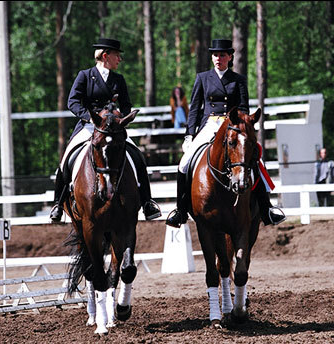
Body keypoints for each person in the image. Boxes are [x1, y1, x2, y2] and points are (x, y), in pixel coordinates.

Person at [165, 39, 286, 228]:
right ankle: (180, 210)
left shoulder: (238, 80)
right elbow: (195, 109)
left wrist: (241, 125)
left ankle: (266, 208)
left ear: (229, 57)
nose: (218, 58)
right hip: (210, 125)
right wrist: (189, 135)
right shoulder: (203, 78)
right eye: (215, 55)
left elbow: (244, 108)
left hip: (232, 126)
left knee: (256, 161)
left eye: (222, 55)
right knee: (184, 163)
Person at [49, 37, 162, 222]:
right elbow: (73, 102)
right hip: (89, 125)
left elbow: (126, 104)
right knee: (66, 160)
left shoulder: (119, 79)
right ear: (105, 55)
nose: (120, 59)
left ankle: (147, 202)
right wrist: (89, 117)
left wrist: (121, 118)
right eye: (117, 55)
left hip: (113, 128)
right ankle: (57, 205)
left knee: (138, 157)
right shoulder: (85, 76)